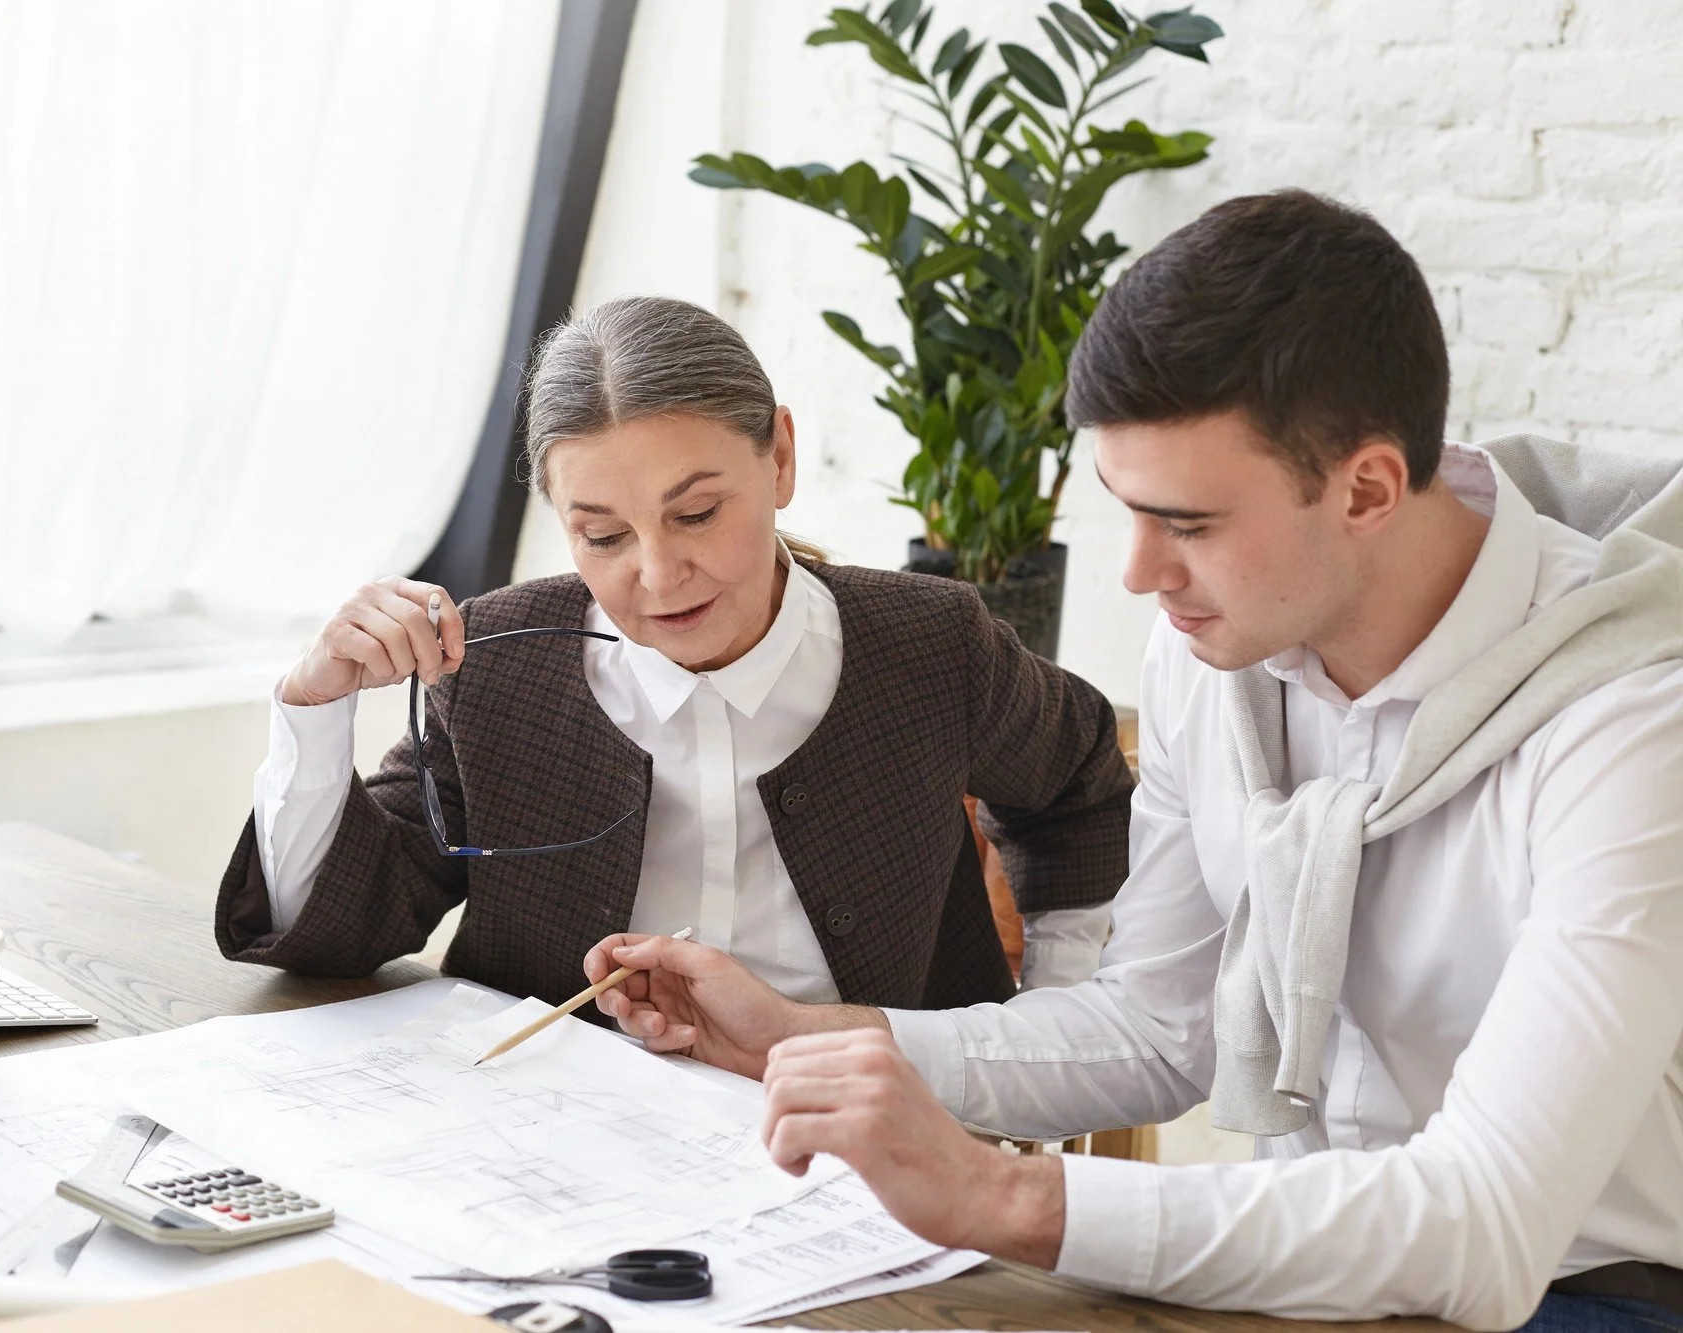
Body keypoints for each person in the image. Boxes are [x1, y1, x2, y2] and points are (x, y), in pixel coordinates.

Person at [581, 194, 1683, 1332]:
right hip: (1305, 1274)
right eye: (1126, 512)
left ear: (1363, 488)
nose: (1139, 574)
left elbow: (1483, 1228)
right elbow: (1158, 1030)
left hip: (1594, 1295)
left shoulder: (1629, 718)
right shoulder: (1216, 652)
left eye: (1188, 523)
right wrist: (800, 1035)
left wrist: (1002, 1193)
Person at [214, 296, 1135, 1016]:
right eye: (604, 534)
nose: (659, 575)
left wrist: (1044, 1022)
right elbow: (334, 927)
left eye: (696, 514)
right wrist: (313, 703)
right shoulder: (497, 664)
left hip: (871, 1157)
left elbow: (1082, 785)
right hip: (566, 1153)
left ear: (778, 457)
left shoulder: (929, 642)